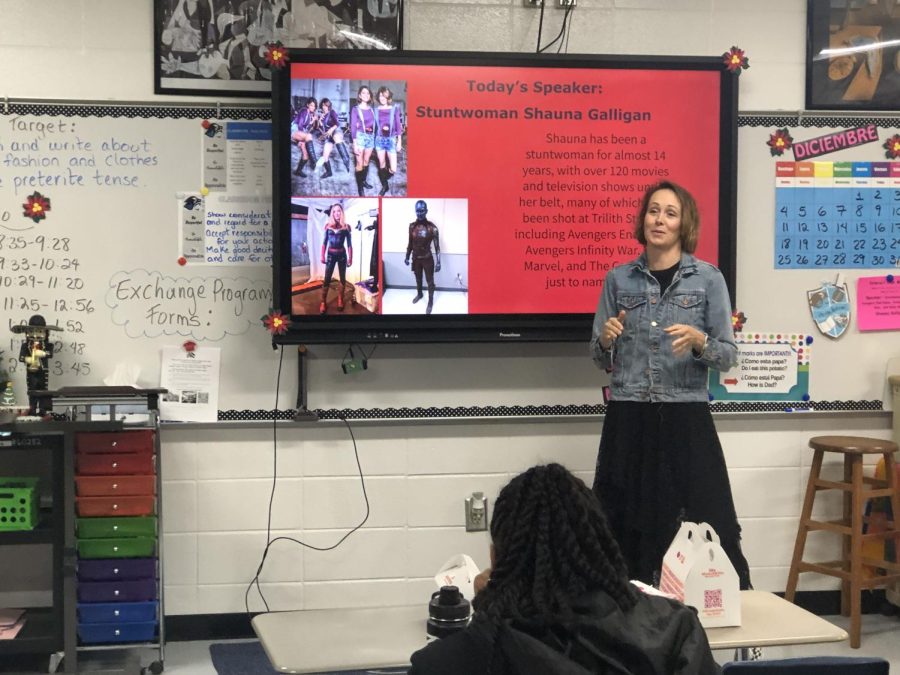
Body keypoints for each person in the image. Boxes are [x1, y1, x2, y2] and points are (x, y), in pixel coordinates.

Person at [590, 180, 751, 591]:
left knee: (707, 516)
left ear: (684, 224)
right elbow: (598, 357)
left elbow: (729, 356)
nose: (659, 220)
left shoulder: (708, 280)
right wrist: (607, 341)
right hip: (629, 415)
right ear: (642, 219)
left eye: (670, 213)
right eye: (653, 211)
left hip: (685, 415)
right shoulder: (618, 280)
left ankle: (729, 612)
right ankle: (623, 615)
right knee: (619, 519)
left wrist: (700, 343)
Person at [408, 463, 719, 675]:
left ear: (495, 559)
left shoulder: (450, 663)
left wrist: (487, 614)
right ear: (601, 548)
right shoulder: (677, 634)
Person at [404, 200, 441, 315]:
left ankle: (430, 302)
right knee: (418, 278)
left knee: (430, 281)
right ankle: (419, 294)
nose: (419, 213)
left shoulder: (432, 228)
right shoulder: (412, 227)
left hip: (427, 259)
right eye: (417, 211)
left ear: (426, 211)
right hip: (416, 258)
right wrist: (407, 256)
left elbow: (437, 247)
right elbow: (410, 243)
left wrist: (439, 262)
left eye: (422, 210)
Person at [319, 203, 352, 315]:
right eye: (334, 211)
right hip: (330, 255)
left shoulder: (346, 227)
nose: (336, 213)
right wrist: (322, 255)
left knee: (342, 278)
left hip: (342, 255)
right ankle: (323, 301)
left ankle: (340, 299)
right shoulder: (328, 226)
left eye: (339, 211)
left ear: (341, 213)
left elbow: (349, 244)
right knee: (327, 278)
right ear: (332, 213)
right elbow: (324, 242)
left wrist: (350, 258)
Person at [373, 85, 403, 196]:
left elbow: (398, 126)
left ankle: (383, 178)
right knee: (382, 164)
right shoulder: (375, 110)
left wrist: (399, 140)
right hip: (379, 140)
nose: (382, 98)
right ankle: (385, 186)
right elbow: (372, 125)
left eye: (384, 95)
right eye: (380, 95)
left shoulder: (394, 109)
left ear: (388, 97)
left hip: (391, 140)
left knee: (393, 169)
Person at [314, 97, 351, 179]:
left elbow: (337, 123)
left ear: (329, 106)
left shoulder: (332, 112)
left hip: (335, 131)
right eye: (323, 105)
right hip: (328, 136)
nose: (324, 107)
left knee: (336, 137)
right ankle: (329, 172)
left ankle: (346, 161)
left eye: (326, 105)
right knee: (325, 155)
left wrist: (331, 129)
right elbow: (319, 128)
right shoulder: (322, 115)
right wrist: (319, 121)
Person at [350, 85, 377, 196]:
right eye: (363, 93)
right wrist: (354, 143)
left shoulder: (371, 109)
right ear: (360, 95)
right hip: (360, 137)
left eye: (368, 93)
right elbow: (353, 126)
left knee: (366, 162)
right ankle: (360, 188)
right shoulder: (355, 109)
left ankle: (363, 181)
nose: (366, 95)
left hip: (370, 138)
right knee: (359, 163)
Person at [292, 97, 320, 177]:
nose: (313, 108)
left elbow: (309, 128)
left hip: (301, 133)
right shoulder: (304, 111)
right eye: (311, 105)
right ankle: (314, 161)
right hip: (294, 130)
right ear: (307, 105)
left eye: (314, 106)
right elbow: (300, 125)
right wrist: (301, 139)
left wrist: (313, 121)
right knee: (309, 136)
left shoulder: (310, 114)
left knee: (306, 154)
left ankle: (298, 171)